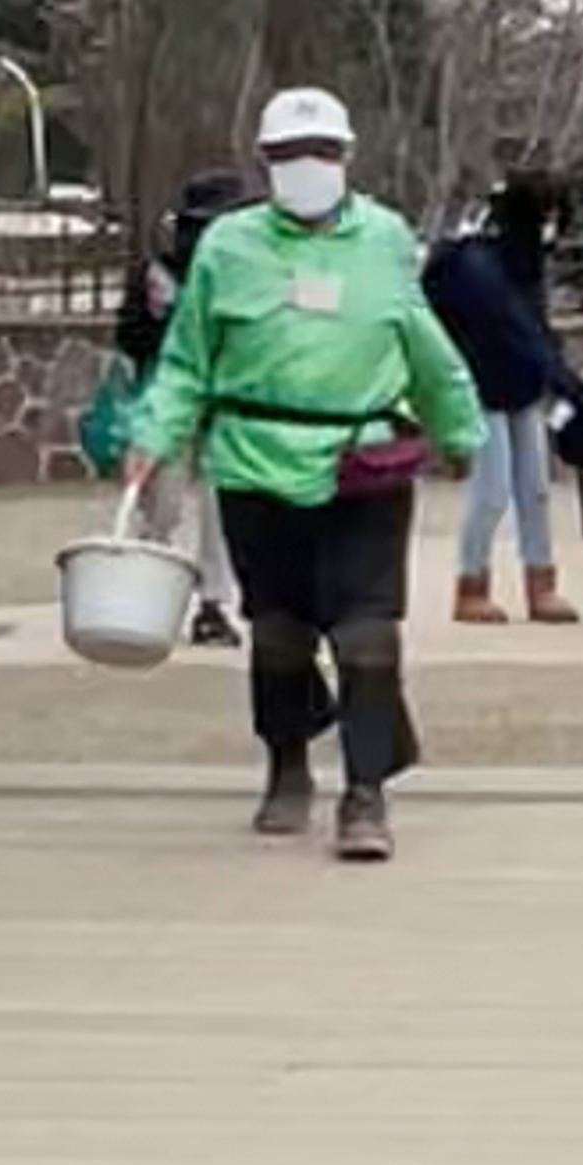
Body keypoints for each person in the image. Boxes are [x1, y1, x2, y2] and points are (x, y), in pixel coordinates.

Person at [122, 86, 484, 860]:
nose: (306, 165)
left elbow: (419, 337)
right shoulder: (227, 247)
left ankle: (366, 791)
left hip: (363, 461)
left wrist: (458, 426)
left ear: (347, 156)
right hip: (255, 463)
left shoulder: (386, 238)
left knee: (368, 632)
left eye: (321, 151)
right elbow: (187, 357)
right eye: (289, 153)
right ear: (265, 162)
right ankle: (287, 765)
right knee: (279, 631)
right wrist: (155, 434)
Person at [428, 174, 583, 626]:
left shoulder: (526, 265)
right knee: (491, 490)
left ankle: (541, 581)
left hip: (522, 386)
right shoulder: (476, 265)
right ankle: (471, 581)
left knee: (535, 490)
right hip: (482, 387)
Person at [107, 180, 241, 643]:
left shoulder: (242, 277)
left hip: (225, 405)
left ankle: (213, 603)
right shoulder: (156, 275)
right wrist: (162, 323)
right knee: (162, 506)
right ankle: (148, 596)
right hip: (168, 403)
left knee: (221, 511)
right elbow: (129, 336)